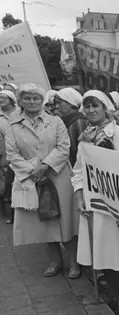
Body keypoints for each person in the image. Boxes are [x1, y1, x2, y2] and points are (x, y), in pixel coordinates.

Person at [72, 91, 119, 314]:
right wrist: (79, 195)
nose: (91, 110)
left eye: (95, 106)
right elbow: (78, 170)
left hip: (115, 202)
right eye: (87, 106)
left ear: (106, 108)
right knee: (101, 250)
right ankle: (115, 292)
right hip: (93, 202)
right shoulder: (85, 138)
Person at [5, 84, 80, 278]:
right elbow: (12, 154)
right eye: (27, 98)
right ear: (20, 101)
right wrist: (33, 171)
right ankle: (55, 260)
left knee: (66, 221)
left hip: (58, 177)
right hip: (31, 179)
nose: (32, 102)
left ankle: (74, 263)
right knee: (43, 223)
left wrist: (44, 166)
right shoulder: (13, 125)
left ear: (42, 101)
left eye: (36, 98)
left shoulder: (55, 121)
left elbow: (64, 147)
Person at [53, 88, 89, 167]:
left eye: (59, 103)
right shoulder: (64, 121)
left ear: (70, 103)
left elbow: (81, 151)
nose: (57, 106)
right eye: (55, 103)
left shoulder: (79, 121)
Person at [0, 89, 19, 223]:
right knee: (8, 184)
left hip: (22, 152)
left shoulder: (20, 112)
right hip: (5, 153)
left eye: (3, 97)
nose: (0, 100)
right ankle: (11, 214)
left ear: (12, 100)